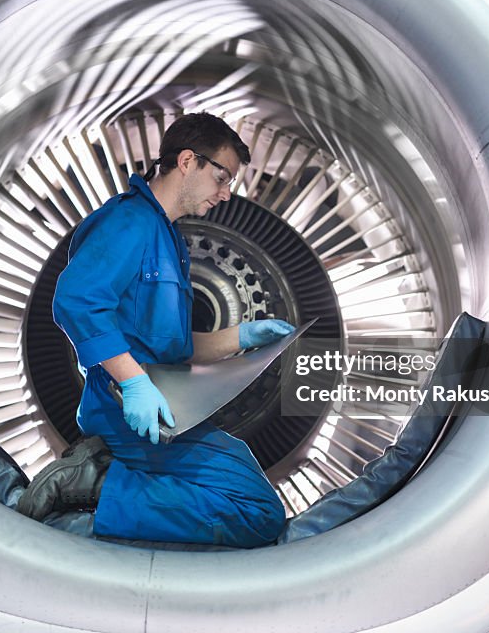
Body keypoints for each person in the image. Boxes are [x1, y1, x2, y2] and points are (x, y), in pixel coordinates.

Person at [17, 112, 294, 548]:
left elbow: (172, 346)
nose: (225, 195)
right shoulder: (132, 222)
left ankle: (106, 481)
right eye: (222, 178)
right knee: (257, 512)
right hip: (130, 417)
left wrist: (244, 336)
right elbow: (76, 300)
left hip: (165, 410)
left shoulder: (166, 238)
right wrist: (134, 384)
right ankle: (98, 484)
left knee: (242, 471)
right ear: (187, 161)